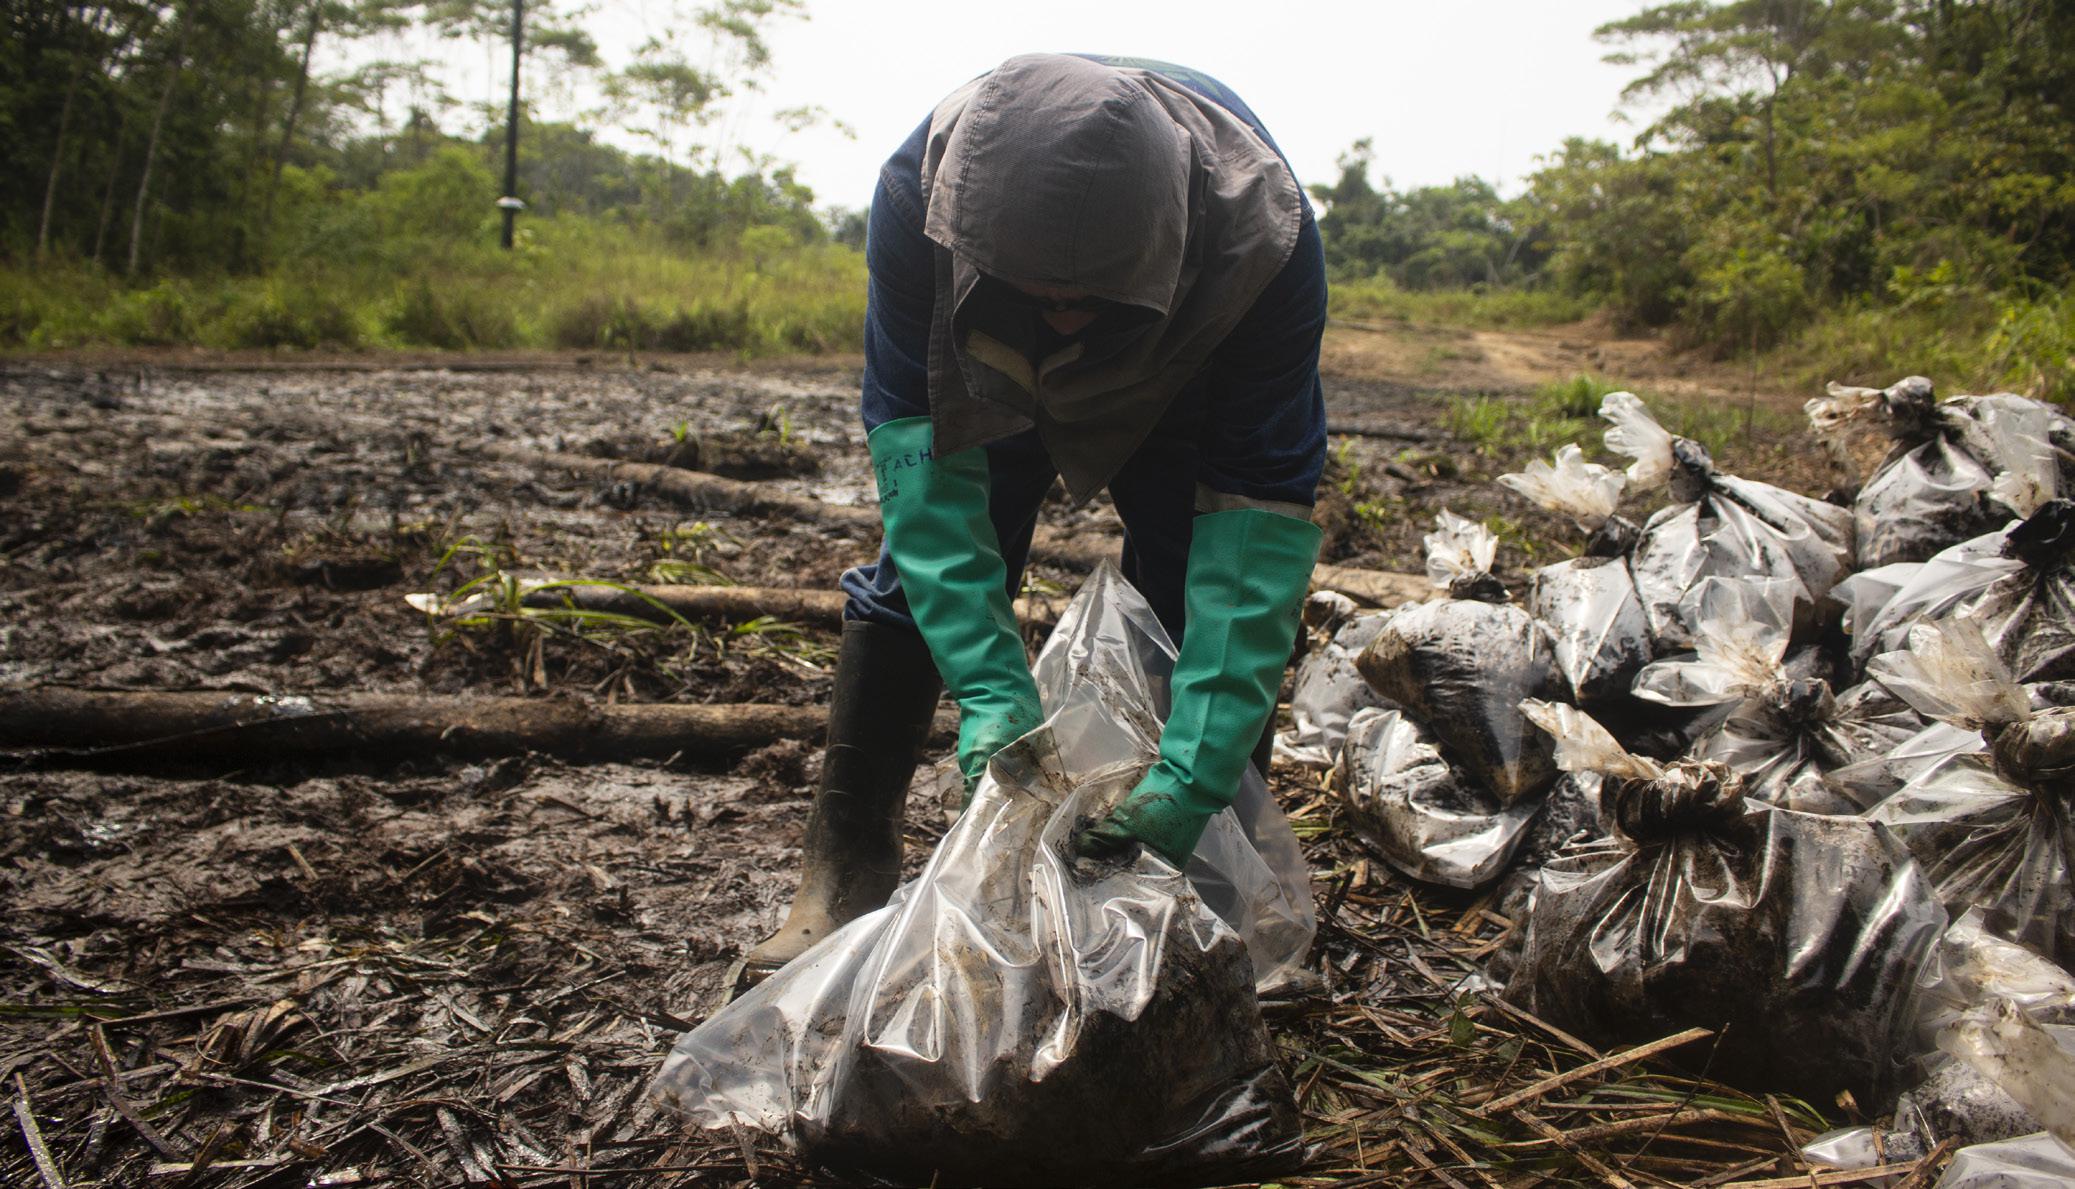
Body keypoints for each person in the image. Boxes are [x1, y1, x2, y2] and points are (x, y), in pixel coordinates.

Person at [733, 52, 1327, 990]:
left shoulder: (1267, 243)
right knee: (910, 585)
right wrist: (987, 689)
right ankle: (844, 876)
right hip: (978, 351)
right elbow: (922, 468)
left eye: (1083, 300)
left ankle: (1213, 886)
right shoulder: (917, 199)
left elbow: (1254, 521)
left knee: (1189, 590)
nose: (1062, 326)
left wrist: (1195, 771)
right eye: (1044, 297)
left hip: (1182, 364)